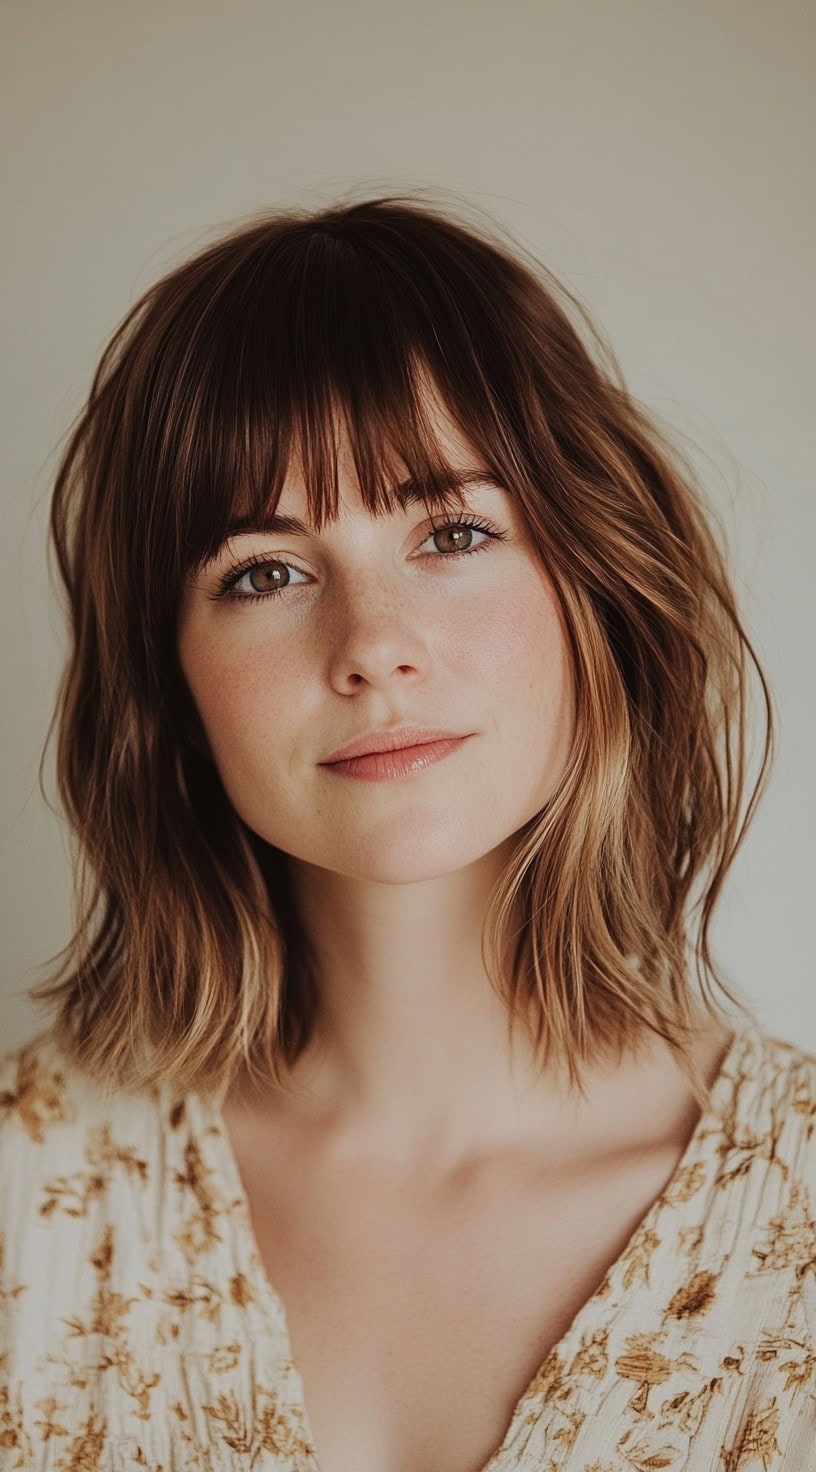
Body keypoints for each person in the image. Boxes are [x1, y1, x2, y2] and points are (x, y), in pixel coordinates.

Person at [0, 193, 813, 1472]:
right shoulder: (26, 1193)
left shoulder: (802, 1215)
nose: (373, 643)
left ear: (591, 585)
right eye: (264, 571)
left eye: (453, 532)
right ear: (171, 677)